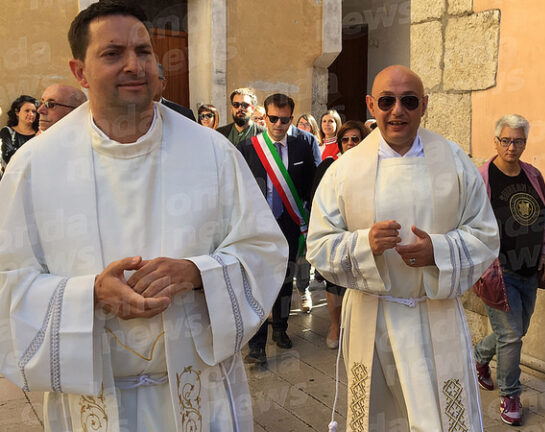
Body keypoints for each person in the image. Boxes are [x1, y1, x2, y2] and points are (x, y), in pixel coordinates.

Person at [0, 2, 288, 431]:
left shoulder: (211, 152)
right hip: (92, 398)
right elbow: (8, 280)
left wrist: (196, 272)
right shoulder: (36, 165)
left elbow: (263, 250)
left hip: (199, 394)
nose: (134, 65)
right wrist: (91, 295)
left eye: (144, 51)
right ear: (79, 71)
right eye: (113, 53)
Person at [307, 65, 499, 431]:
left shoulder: (454, 162)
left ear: (424, 105)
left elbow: (485, 235)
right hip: (372, 315)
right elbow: (318, 243)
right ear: (370, 105)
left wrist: (438, 252)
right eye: (386, 101)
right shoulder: (344, 170)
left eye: (409, 101)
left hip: (433, 314)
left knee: (437, 419)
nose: (398, 110)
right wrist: (365, 244)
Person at [472, 114, 545, 426]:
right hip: (498, 270)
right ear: (495, 141)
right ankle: (510, 394)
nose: (512, 146)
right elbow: (469, 224)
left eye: (518, 140)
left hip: (530, 269)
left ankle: (480, 358)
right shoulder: (482, 177)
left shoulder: (533, 174)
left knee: (516, 331)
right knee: (511, 335)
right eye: (506, 140)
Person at [234, 93, 317, 365]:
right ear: (264, 116)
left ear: (291, 119)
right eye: (273, 118)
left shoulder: (304, 145)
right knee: (258, 282)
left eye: (284, 119)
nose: (278, 124)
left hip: (290, 223)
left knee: (285, 279)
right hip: (259, 225)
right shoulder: (249, 147)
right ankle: (256, 345)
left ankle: (280, 328)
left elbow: (311, 184)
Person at [309, 120, 368, 349]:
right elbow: (317, 199)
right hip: (337, 232)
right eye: (346, 139)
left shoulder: (374, 167)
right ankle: (335, 325)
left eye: (355, 138)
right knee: (333, 283)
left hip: (363, 234)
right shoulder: (328, 167)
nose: (350, 143)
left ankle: (355, 327)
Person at [1, 95, 39, 170]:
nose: (31, 114)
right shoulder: (7, 132)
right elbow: (7, 157)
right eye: (27, 111)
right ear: (17, 112)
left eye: (34, 111)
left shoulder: (39, 133)